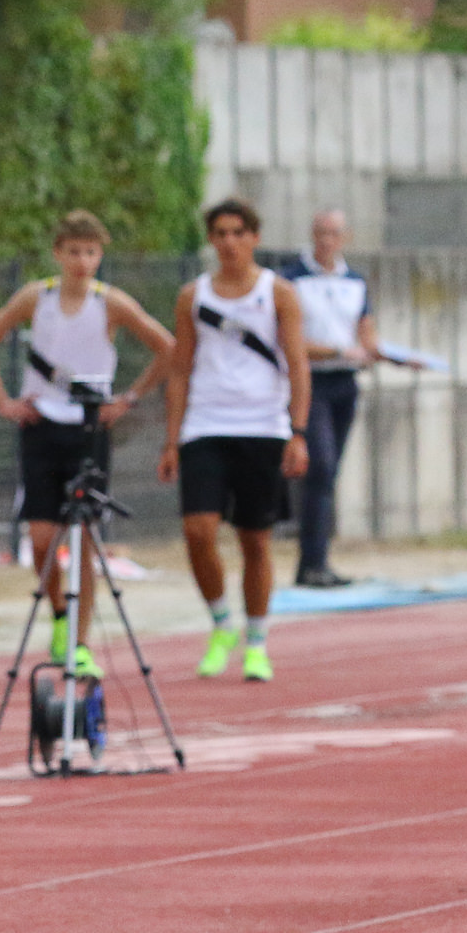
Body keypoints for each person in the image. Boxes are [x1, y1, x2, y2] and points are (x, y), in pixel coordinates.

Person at [0, 209, 172, 677]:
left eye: (91, 252)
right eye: (74, 251)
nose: (82, 261)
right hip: (41, 425)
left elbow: (167, 347)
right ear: (58, 253)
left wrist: (127, 399)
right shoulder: (36, 297)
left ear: (100, 256)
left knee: (84, 539)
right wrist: (4, 401)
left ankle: (80, 643)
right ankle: (60, 614)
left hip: (88, 429)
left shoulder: (110, 302)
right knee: (42, 540)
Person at [157, 198, 309, 684]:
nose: (229, 242)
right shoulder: (193, 296)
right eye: (220, 233)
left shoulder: (278, 292)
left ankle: (257, 641)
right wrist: (171, 440)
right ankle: (222, 622)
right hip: (206, 426)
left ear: (254, 237)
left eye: (237, 233)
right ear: (211, 239)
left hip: (263, 427)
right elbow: (180, 369)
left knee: (255, 540)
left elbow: (297, 364)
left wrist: (298, 431)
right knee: (198, 531)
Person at [285, 208, 383, 587]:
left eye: (334, 233)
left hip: (345, 383)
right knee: (320, 466)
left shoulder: (355, 282)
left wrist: (380, 352)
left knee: (329, 473)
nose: (327, 240)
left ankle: (317, 561)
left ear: (346, 238)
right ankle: (312, 562)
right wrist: (337, 351)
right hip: (310, 382)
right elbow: (289, 340)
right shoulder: (291, 280)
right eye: (321, 232)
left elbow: (366, 332)